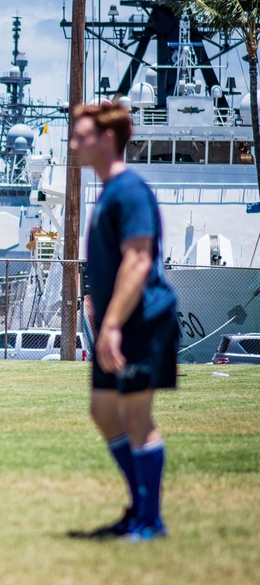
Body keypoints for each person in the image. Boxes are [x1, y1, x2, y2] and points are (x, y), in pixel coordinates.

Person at [70, 101, 178, 542]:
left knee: (136, 415)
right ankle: (139, 508)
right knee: (103, 411)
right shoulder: (107, 192)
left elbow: (137, 260)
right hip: (117, 321)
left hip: (142, 319)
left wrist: (110, 325)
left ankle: (150, 520)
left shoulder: (130, 190)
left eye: (82, 136)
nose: (74, 144)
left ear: (108, 138)